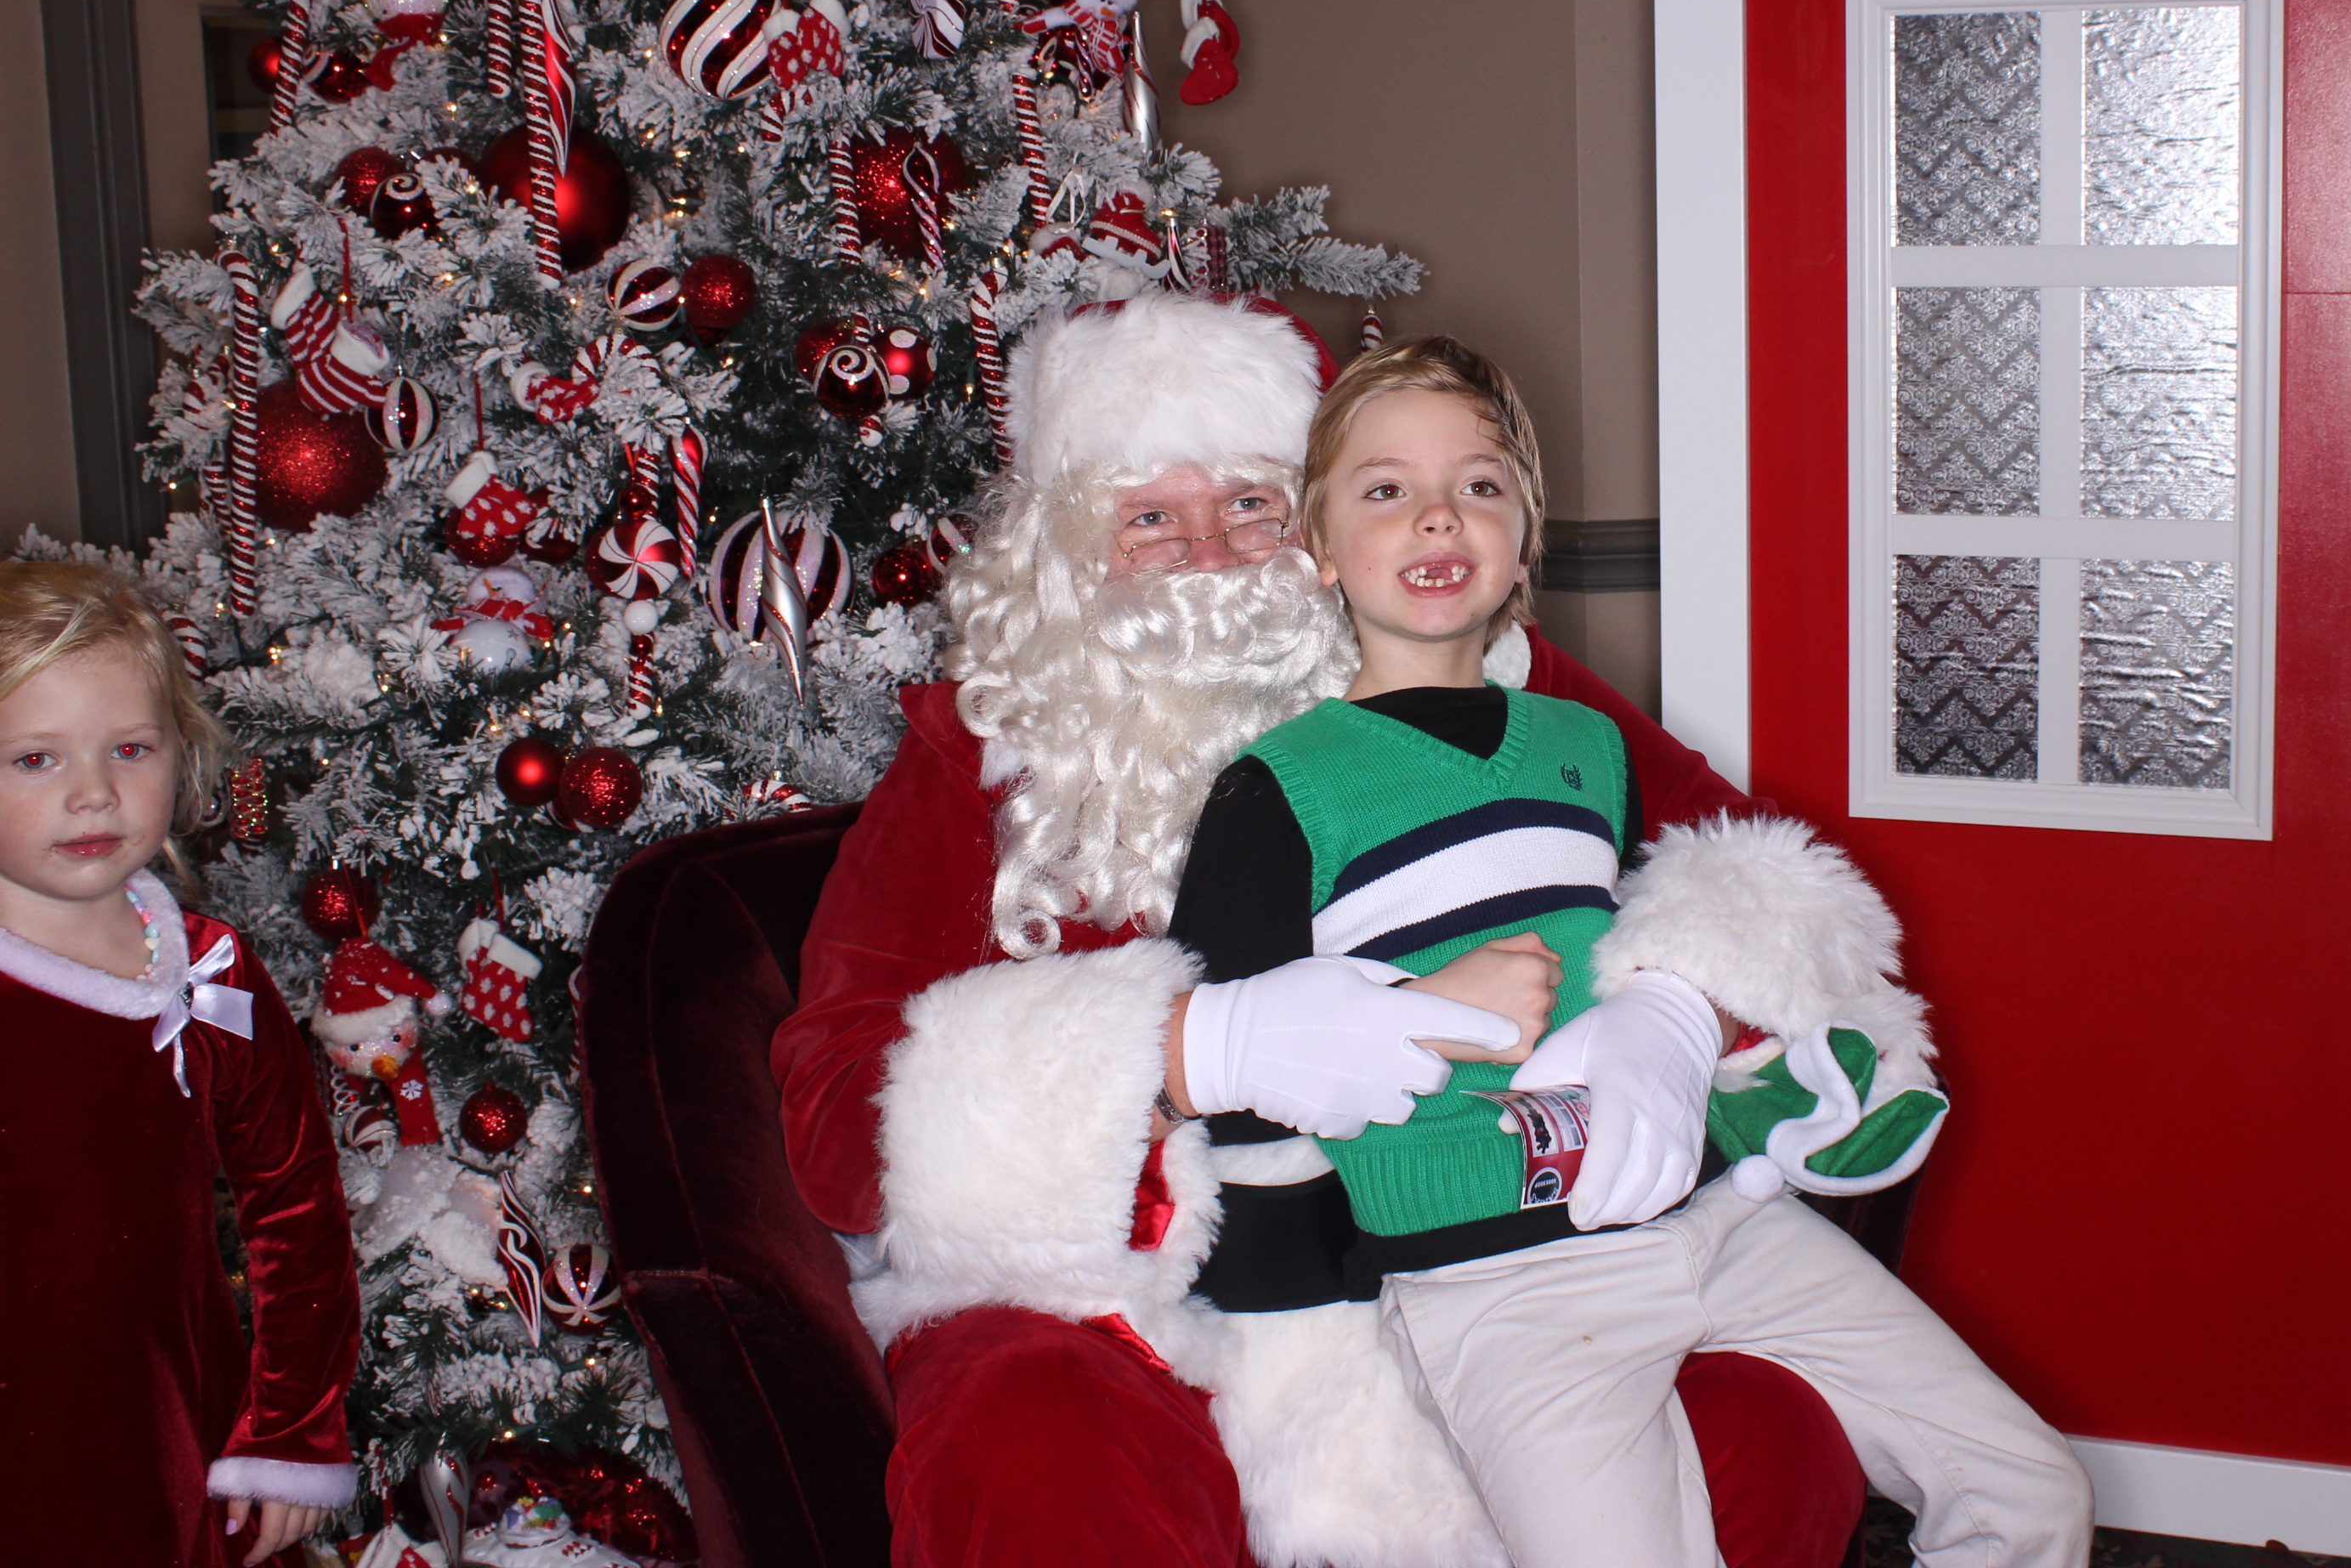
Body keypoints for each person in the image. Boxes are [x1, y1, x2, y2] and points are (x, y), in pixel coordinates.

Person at [771, 293, 1974, 1567]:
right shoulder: (977, 759)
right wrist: (1196, 1053)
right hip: (1136, 1304)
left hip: (1495, 1251)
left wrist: (1678, 1011)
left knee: (1763, 1430)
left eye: (1250, 504)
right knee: (1027, 1438)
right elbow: (840, 1118)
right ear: (1069, 555)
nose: (1211, 556)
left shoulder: (1494, 687)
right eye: (1149, 518)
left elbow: (1759, 880)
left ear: (1323, 525)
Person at [1168, 338, 2092, 1568]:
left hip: (1717, 1219)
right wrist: (1416, 1014)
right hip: (1499, 1285)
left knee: (2030, 1490)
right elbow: (1228, 1092)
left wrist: (1678, 1014)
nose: (1440, 514)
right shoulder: (1275, 788)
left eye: (1481, 485)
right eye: (1387, 489)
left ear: (1523, 541)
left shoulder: (1587, 746)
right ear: (1320, 548)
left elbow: (1683, 930)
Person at [0, 561, 361, 1565]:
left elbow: (297, 1206)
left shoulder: (208, 974)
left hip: (172, 1448)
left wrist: (291, 1430)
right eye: (35, 759)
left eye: (130, 749)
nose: (93, 794)